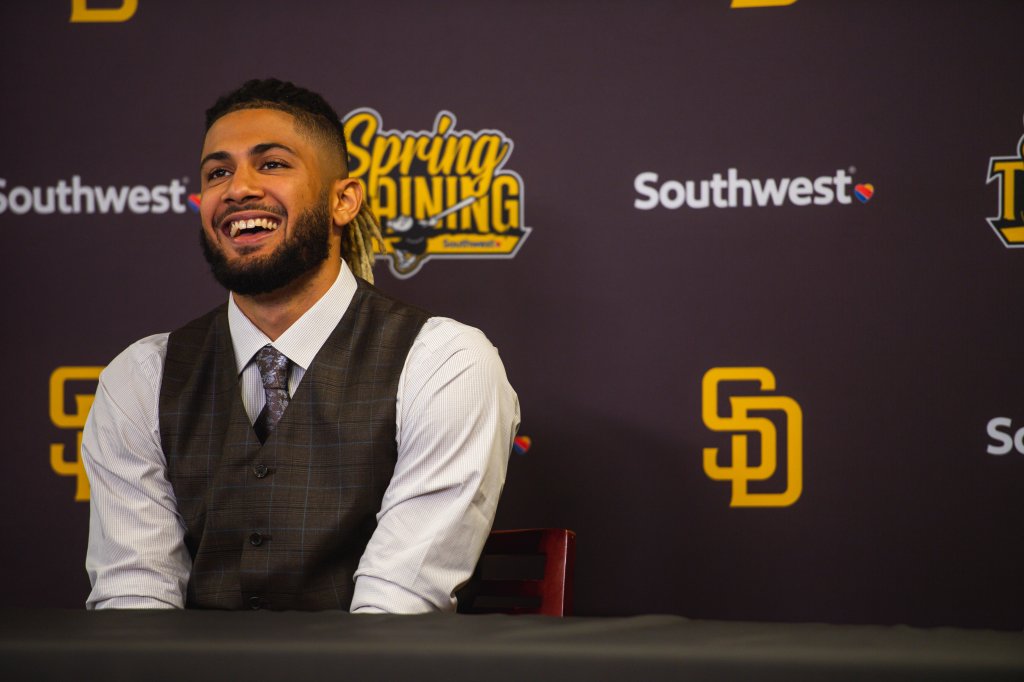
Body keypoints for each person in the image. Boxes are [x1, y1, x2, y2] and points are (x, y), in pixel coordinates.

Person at [81, 79, 520, 613]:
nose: (237, 188)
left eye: (271, 164)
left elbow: (398, 608)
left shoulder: (443, 362)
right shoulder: (140, 376)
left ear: (342, 200)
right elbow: (134, 602)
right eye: (218, 172)